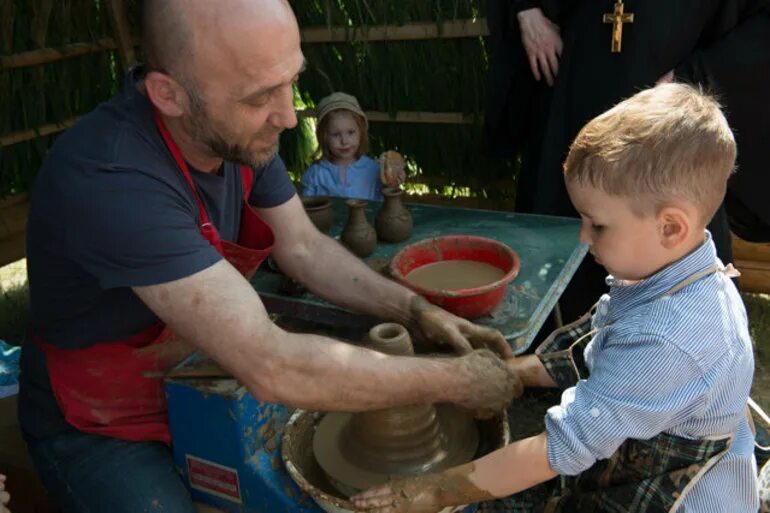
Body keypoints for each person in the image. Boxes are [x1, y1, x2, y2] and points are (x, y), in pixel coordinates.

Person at [17, 0, 521, 511]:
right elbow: (272, 364)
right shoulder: (112, 180)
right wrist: (457, 381)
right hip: (103, 422)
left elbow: (303, 247)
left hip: (200, 365)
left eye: (290, 82)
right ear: (169, 95)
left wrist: (415, 310)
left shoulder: (238, 136)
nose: (287, 115)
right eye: (261, 96)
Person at [352, 84, 759, 512]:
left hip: (679, 494)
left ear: (670, 228)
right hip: (641, 444)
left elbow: (557, 451)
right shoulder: (672, 272)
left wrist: (436, 490)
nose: (584, 237)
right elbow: (596, 344)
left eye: (597, 225)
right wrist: (509, 373)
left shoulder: (669, 341)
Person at [485, 0, 770, 321]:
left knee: (673, 283)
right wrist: (526, 10)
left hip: (667, 120)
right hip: (572, 99)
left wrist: (696, 76)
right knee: (562, 276)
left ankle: (665, 353)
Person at [302, 92, 391, 200]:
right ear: (324, 137)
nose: (344, 141)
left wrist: (392, 183)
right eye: (336, 134)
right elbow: (307, 209)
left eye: (350, 132)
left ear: (361, 132)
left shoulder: (374, 170)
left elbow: (387, 202)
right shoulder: (315, 174)